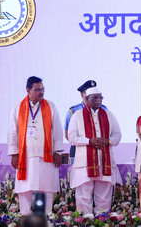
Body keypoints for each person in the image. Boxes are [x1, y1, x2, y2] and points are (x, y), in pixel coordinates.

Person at [8, 76, 64, 215]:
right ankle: (25, 218)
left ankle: (47, 219)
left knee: (46, 189)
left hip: (46, 156)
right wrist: (14, 154)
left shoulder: (50, 106)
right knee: (25, 191)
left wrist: (58, 152)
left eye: (42, 89)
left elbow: (57, 130)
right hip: (25, 157)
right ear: (28, 90)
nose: (41, 92)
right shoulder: (17, 107)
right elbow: (12, 132)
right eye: (37, 89)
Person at [68, 87, 121, 214]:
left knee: (104, 198)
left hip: (105, 163)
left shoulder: (108, 114)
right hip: (84, 165)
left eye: (100, 97)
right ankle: (84, 222)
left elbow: (117, 135)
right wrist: (89, 141)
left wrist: (107, 141)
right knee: (83, 198)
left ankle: (101, 221)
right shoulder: (77, 115)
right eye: (95, 97)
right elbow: (71, 137)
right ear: (86, 99)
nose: (99, 100)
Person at [64, 80, 107, 162]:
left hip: (99, 149)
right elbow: (67, 133)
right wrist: (85, 143)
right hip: (78, 149)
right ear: (82, 94)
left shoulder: (104, 109)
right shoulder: (73, 111)